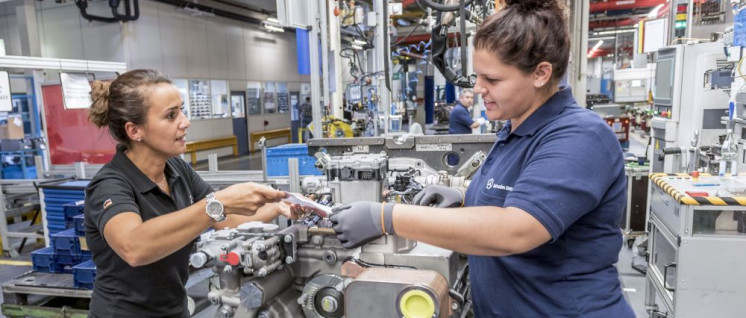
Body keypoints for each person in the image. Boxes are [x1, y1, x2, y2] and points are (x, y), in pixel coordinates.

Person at [329, 1, 635, 317]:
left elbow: (516, 229)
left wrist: (387, 217)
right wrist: (463, 197)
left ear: (541, 73)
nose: (478, 89)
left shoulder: (580, 136)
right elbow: (516, 196)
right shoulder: (514, 130)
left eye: (493, 80)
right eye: (477, 77)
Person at [84, 69, 301, 317]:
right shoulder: (110, 185)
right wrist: (216, 204)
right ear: (135, 131)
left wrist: (280, 207)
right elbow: (134, 247)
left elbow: (225, 220)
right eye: (171, 115)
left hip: (174, 310)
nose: (185, 121)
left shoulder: (176, 169)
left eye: (182, 110)